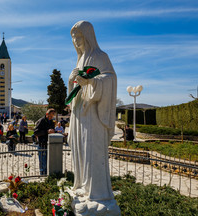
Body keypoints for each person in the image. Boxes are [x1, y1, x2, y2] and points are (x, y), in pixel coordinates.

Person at [68, 21, 119, 208]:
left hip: (94, 115)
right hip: (81, 113)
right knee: (81, 151)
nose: (76, 41)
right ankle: (82, 185)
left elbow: (110, 79)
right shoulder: (80, 59)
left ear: (88, 37)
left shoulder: (100, 56)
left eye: (79, 37)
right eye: (73, 38)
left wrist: (90, 83)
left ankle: (97, 193)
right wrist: (72, 80)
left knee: (92, 152)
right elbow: (76, 87)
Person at [34, 109, 55, 175]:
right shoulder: (41, 121)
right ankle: (42, 174)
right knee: (43, 162)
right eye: (50, 116)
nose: (51, 117)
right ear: (46, 114)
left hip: (49, 144)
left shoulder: (51, 121)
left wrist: (53, 131)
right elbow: (36, 132)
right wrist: (46, 131)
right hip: (42, 144)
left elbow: (52, 130)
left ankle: (47, 174)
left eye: (52, 116)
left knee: (48, 161)